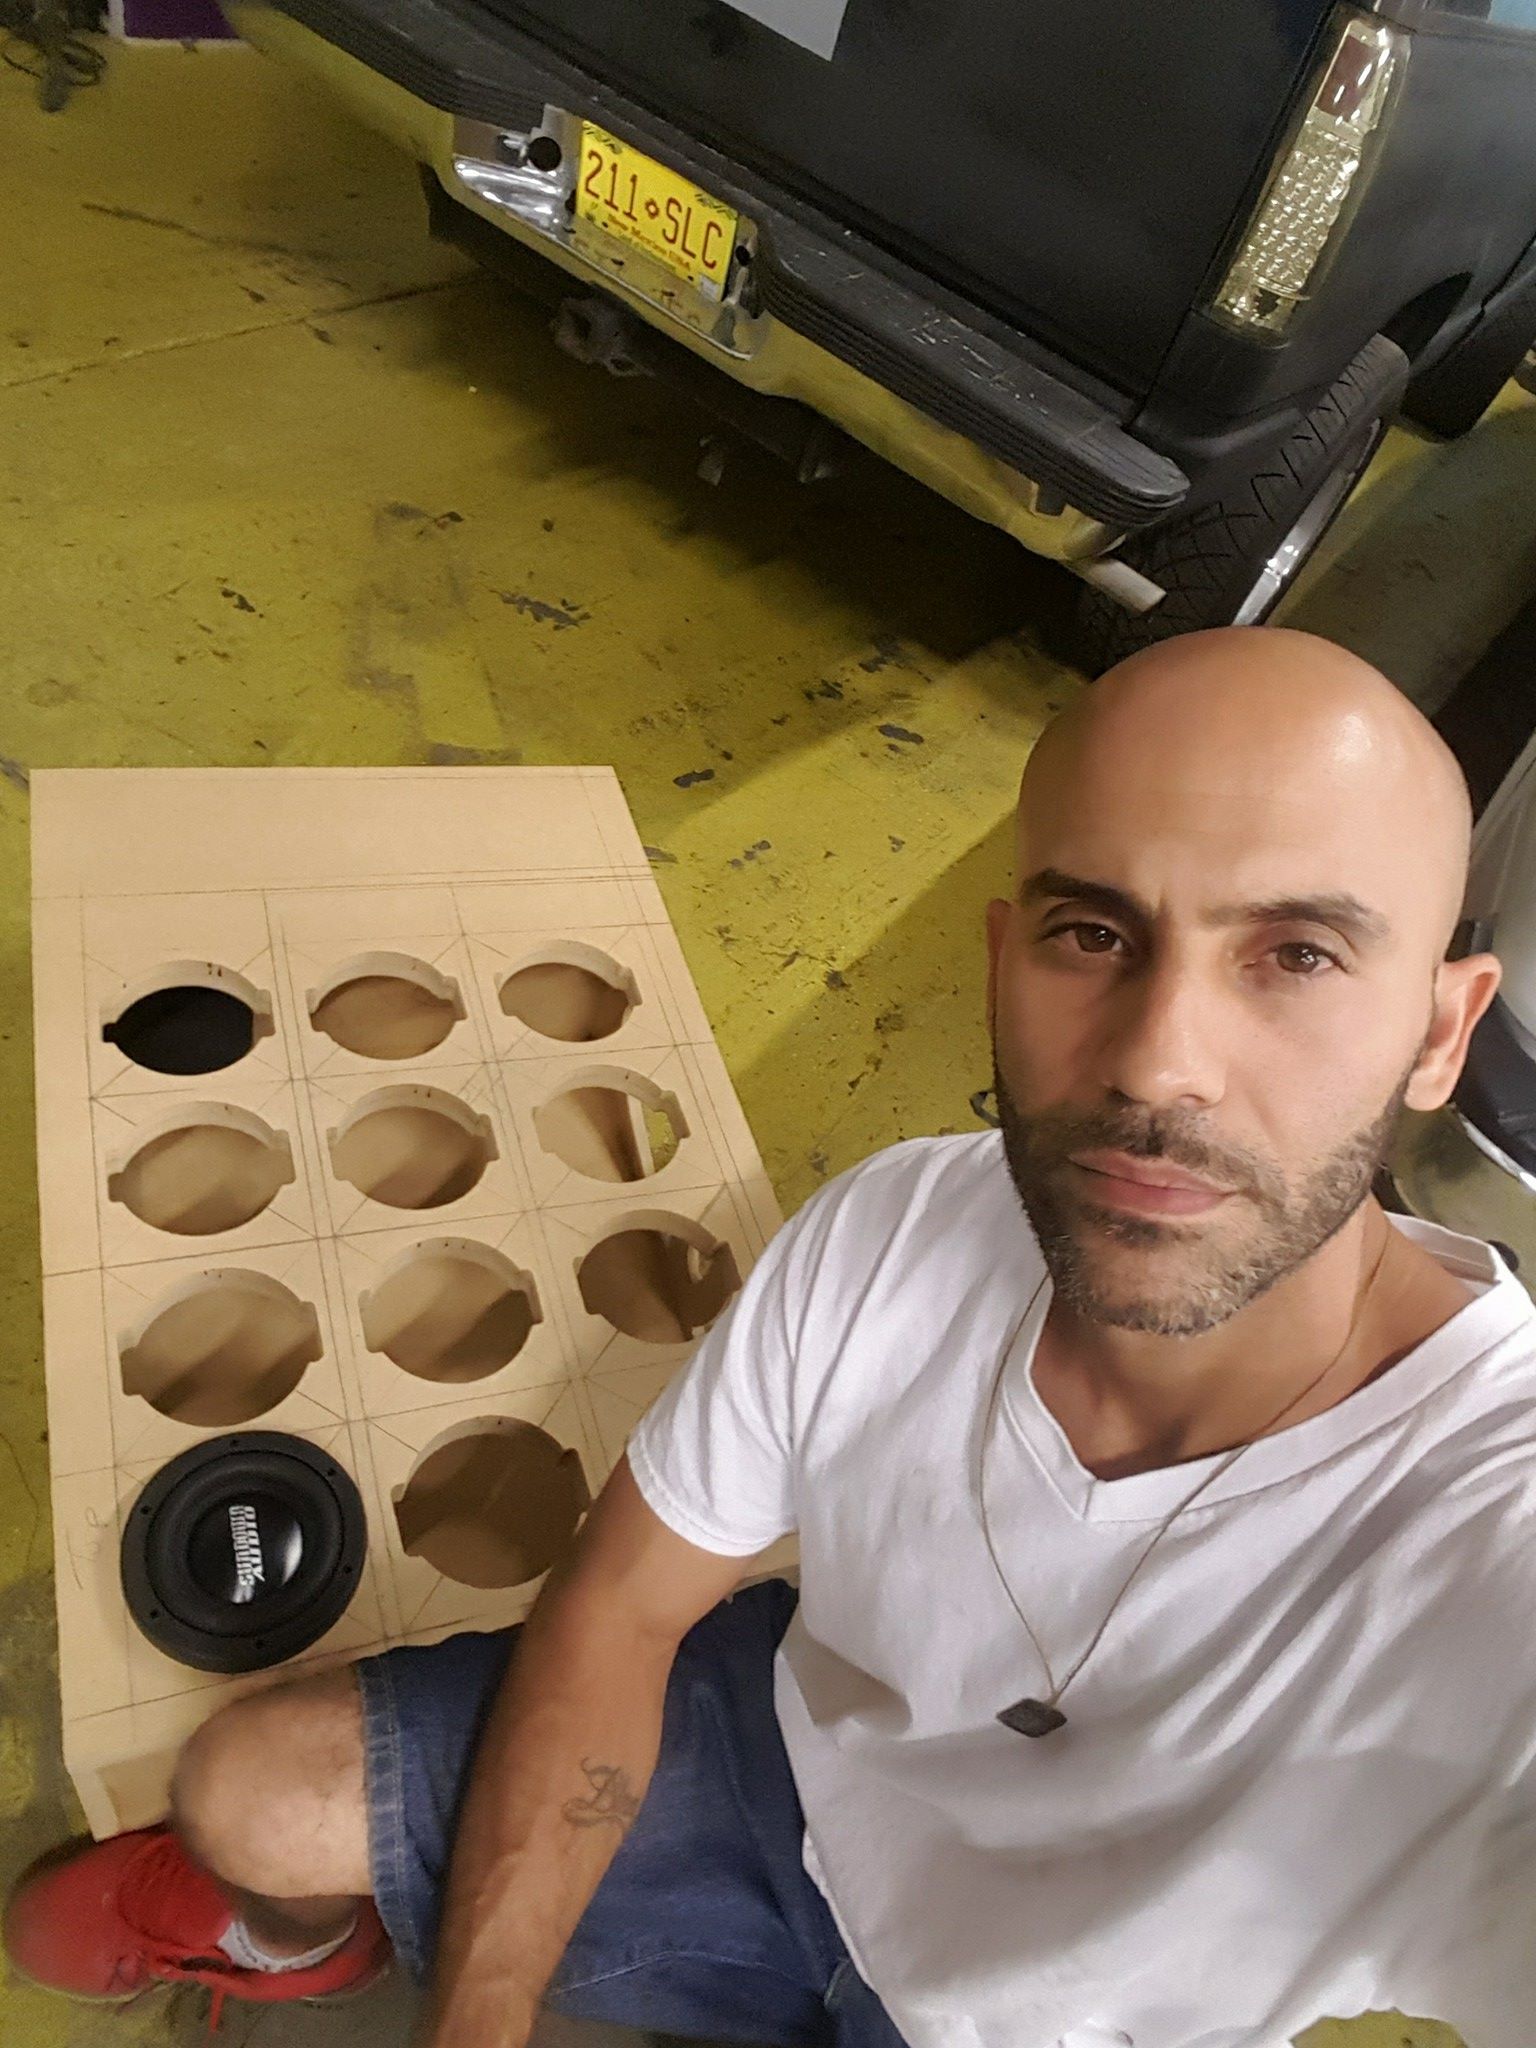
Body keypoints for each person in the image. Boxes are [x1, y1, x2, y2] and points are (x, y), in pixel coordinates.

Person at [8, 624, 1535, 2048]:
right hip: (785, 1770)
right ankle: (301, 1940)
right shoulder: (898, 1228)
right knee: (248, 1789)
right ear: (1005, 958)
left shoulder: (1491, 1534)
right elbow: (617, 1613)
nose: (1160, 1063)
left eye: (1299, 955)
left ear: (1441, 1031)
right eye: (1094, 932)